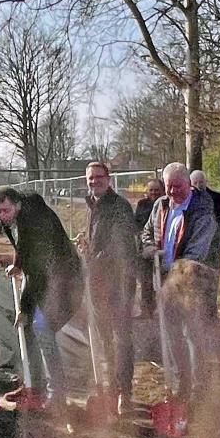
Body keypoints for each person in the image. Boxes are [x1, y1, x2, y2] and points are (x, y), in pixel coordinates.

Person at [0, 186, 83, 408]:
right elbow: (21, 246)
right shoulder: (15, 217)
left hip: (63, 282)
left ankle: (57, 393)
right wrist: (17, 264)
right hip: (41, 278)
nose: (2, 217)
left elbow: (37, 271)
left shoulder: (36, 223)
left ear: (17, 205)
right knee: (26, 329)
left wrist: (24, 308)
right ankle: (34, 385)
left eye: (6, 211)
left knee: (42, 329)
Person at [142, 163, 220, 396]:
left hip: (195, 282)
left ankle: (199, 388)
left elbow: (195, 254)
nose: (173, 191)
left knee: (193, 334)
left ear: (189, 184)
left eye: (178, 186)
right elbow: (147, 231)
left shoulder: (203, 211)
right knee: (171, 331)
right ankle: (181, 383)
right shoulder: (160, 205)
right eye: (169, 186)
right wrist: (149, 246)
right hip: (167, 279)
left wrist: (174, 278)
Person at [82, 161, 138, 414]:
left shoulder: (119, 206)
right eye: (91, 178)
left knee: (121, 339)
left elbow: (120, 244)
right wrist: (87, 247)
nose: (94, 181)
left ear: (109, 178)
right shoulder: (92, 205)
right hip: (97, 285)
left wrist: (95, 260)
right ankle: (111, 389)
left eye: (99, 177)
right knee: (105, 339)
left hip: (119, 284)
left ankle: (125, 393)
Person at [134, 178, 164, 317]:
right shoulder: (142, 204)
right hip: (145, 245)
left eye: (157, 190)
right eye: (151, 190)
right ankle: (146, 309)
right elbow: (136, 223)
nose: (154, 193)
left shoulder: (166, 203)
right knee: (145, 279)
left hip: (161, 246)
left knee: (163, 278)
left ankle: (164, 309)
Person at [190, 169, 220, 233]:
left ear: (206, 182)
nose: (198, 185)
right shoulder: (187, 200)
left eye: (201, 182)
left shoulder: (219, 198)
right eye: (195, 183)